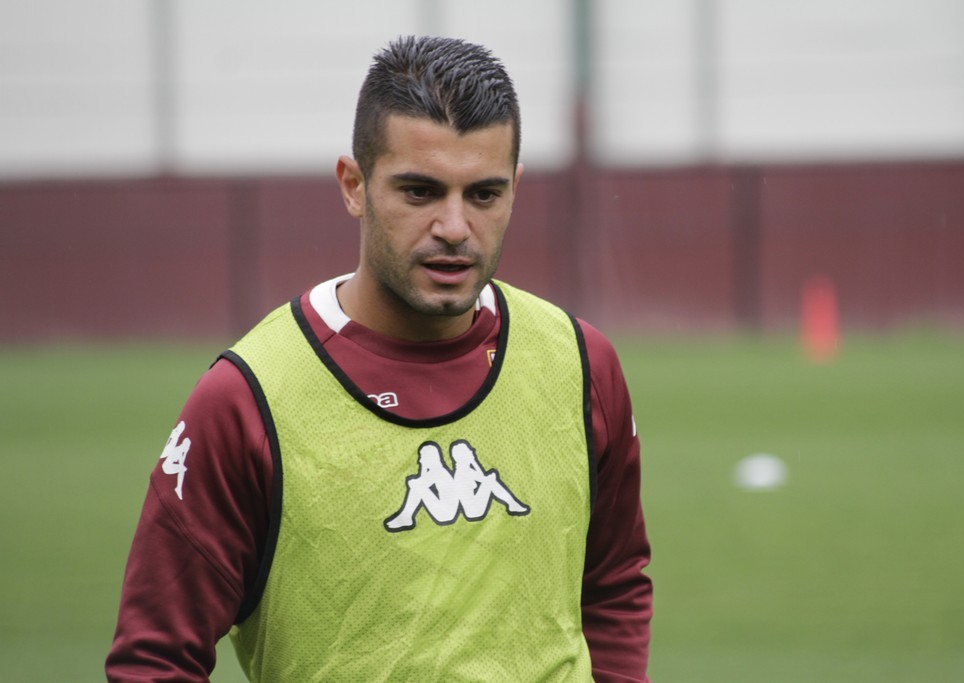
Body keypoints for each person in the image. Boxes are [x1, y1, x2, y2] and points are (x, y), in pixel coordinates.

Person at [106, 35, 652, 682]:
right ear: (354, 185)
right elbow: (155, 659)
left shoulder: (582, 366)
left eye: (484, 194)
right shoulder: (248, 398)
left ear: (515, 189)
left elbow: (614, 583)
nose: (455, 227)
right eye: (420, 192)